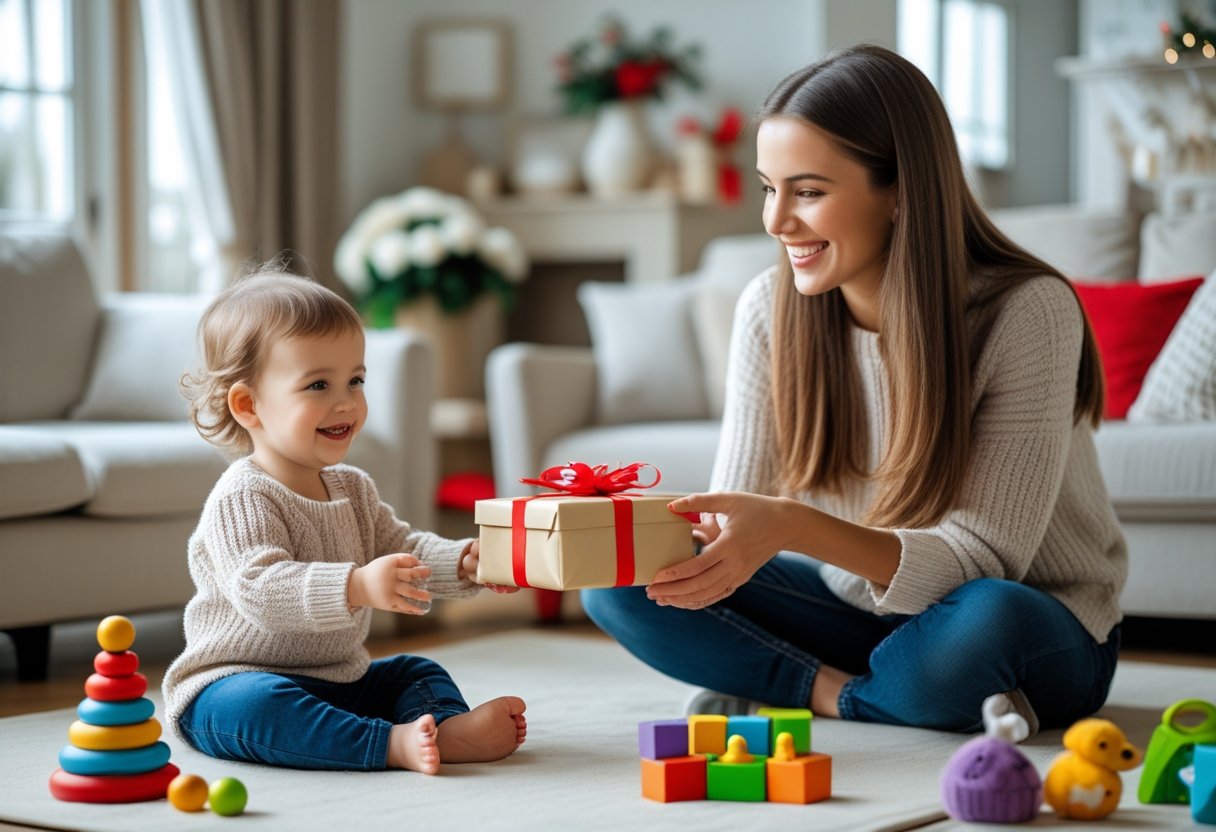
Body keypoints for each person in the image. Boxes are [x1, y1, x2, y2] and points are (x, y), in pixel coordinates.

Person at [581, 44, 1126, 737]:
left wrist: (794, 524)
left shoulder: (1027, 310)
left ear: (899, 190)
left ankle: (812, 691)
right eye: (768, 188)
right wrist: (606, 534)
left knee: (991, 613)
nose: (776, 223)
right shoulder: (767, 309)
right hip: (860, 616)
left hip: (1030, 623)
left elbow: (984, 562)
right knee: (617, 574)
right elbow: (726, 528)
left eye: (808, 192)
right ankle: (849, 695)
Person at [162, 267, 526, 773]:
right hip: (235, 680)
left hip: (339, 679)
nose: (346, 401)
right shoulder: (242, 495)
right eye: (318, 384)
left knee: (415, 672)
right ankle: (390, 746)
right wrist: (355, 585)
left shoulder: (352, 487)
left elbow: (403, 547)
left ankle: (442, 730)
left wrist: (464, 562)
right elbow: (261, 589)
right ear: (248, 405)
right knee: (256, 706)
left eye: (355, 380)